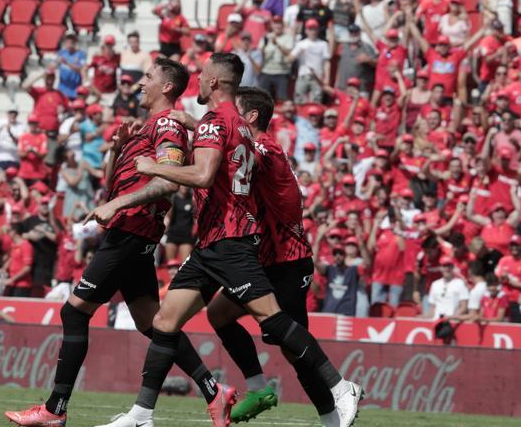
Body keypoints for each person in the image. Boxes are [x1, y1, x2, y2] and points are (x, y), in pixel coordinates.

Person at [98, 54, 361, 427]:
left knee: (274, 322)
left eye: (203, 77)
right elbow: (226, 161)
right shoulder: (236, 126)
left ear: (216, 83)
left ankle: (339, 387)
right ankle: (142, 415)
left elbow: (204, 174)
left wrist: (153, 165)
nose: (199, 83)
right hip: (212, 243)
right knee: (167, 320)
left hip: (235, 240)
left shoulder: (220, 124)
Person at [6, 58, 217, 426]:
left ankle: (55, 410)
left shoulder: (167, 124)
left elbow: (168, 182)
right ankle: (214, 389)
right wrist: (117, 152)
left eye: (148, 77)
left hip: (130, 232)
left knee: (74, 312)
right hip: (130, 232)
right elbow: (113, 188)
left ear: (167, 87)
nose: (140, 82)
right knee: (153, 323)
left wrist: (118, 203)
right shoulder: (145, 128)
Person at [197, 87, 341, 425]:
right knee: (218, 313)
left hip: (288, 260)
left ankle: (336, 408)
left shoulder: (264, 148)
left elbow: (231, 156)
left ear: (250, 118)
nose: (227, 119)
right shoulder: (252, 145)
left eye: (235, 113)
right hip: (264, 259)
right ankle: (259, 389)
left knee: (295, 352)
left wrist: (196, 129)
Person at [0, 106, 23, 182]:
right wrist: (0, 129)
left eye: (15, 113)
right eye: (11, 113)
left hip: (14, 159)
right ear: (7, 114)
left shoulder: (20, 126)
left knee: (12, 182)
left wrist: (10, 132)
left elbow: (20, 142)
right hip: (0, 158)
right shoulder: (0, 122)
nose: (13, 115)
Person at [164, 186, 195, 262]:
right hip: (172, 234)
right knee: (170, 264)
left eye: (187, 185)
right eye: (183, 185)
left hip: (186, 236)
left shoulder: (192, 200)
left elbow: (196, 219)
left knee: (185, 264)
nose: (185, 187)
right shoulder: (174, 200)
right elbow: (168, 217)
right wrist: (165, 229)